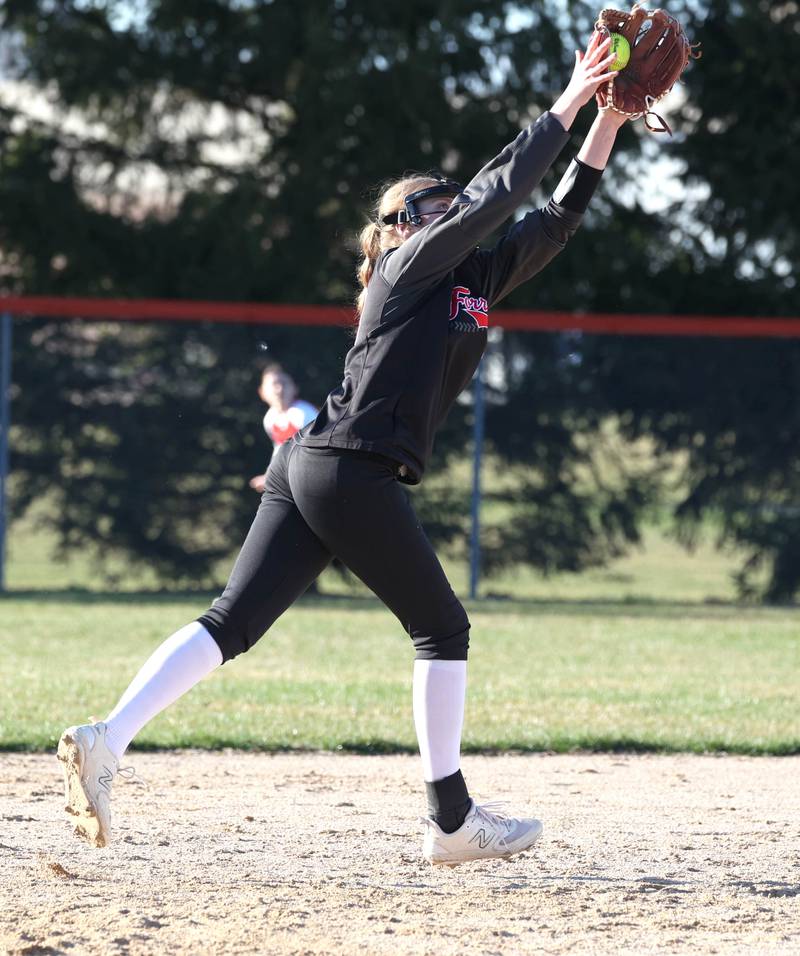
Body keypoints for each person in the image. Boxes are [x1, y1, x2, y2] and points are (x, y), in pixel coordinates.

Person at [58, 32, 626, 865]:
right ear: (401, 228)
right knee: (442, 629)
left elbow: (557, 215)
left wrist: (607, 119)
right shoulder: (409, 268)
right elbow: (498, 194)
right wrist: (570, 97)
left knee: (231, 622)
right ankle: (451, 820)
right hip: (351, 468)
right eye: (436, 201)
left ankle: (107, 740)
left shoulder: (470, 278)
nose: (451, 204)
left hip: (318, 464)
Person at [249, 364, 318, 493]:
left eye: (284, 383)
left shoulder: (304, 414)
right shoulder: (269, 419)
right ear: (262, 392)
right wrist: (268, 476)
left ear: (295, 388)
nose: (279, 389)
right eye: (273, 384)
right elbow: (279, 449)